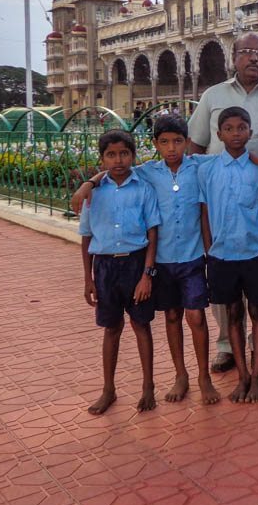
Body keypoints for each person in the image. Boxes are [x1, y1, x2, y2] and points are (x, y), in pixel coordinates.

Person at [73, 116, 221, 406]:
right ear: (154, 145)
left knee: (195, 317)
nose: (171, 148)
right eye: (164, 142)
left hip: (191, 257)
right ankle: (181, 375)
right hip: (162, 262)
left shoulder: (198, 166)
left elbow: (231, 154)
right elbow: (113, 172)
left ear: (188, 143)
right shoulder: (147, 172)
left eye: (178, 141)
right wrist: (87, 184)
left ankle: (205, 377)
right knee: (172, 316)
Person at [188, 31, 258, 374]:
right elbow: (193, 148)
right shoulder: (212, 97)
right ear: (233, 57)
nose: (253, 58)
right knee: (222, 279)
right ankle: (226, 346)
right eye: (246, 52)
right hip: (220, 207)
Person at [198, 106, 258, 403]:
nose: (236, 133)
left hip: (255, 253)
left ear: (250, 132)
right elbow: (205, 213)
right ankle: (243, 377)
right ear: (219, 134)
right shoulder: (208, 170)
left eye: (242, 127)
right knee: (233, 314)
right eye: (229, 128)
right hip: (222, 255)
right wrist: (210, 250)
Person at [80, 129, 162, 415]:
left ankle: (148, 387)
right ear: (102, 158)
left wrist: (146, 275)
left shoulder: (143, 189)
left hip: (136, 263)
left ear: (133, 155)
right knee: (111, 328)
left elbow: (153, 233)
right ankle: (108, 389)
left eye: (124, 153)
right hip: (104, 267)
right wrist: (88, 278)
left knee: (141, 325)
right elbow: (86, 236)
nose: (118, 160)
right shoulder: (94, 193)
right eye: (111, 155)